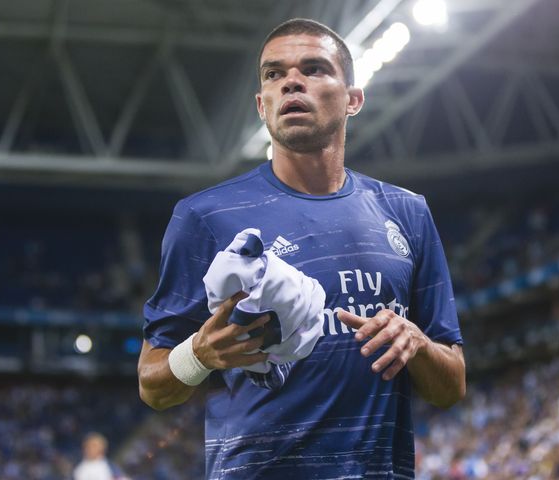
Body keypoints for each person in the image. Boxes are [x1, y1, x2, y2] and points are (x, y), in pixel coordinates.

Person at [138, 17, 466, 479]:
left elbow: (451, 385)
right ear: (261, 104)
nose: (291, 81)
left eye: (313, 68)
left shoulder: (407, 213)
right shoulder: (203, 217)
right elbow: (152, 384)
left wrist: (417, 343)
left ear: (353, 99)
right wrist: (199, 355)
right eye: (274, 74)